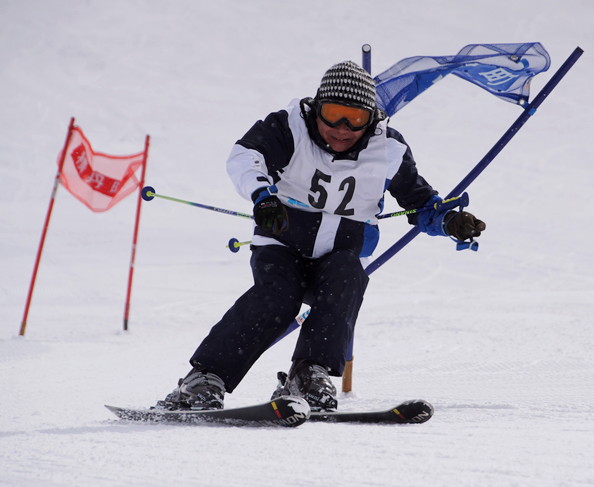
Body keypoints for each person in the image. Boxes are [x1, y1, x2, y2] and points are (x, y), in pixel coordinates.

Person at [156, 60, 485, 412]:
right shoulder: (289, 128)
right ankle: (204, 378)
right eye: (333, 114)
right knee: (279, 297)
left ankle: (308, 373)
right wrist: (262, 196)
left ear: (371, 118)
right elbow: (245, 156)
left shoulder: (387, 149)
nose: (342, 128)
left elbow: (420, 203)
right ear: (316, 110)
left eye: (355, 118)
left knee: (347, 279)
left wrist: (450, 220)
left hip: (342, 251)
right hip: (283, 244)